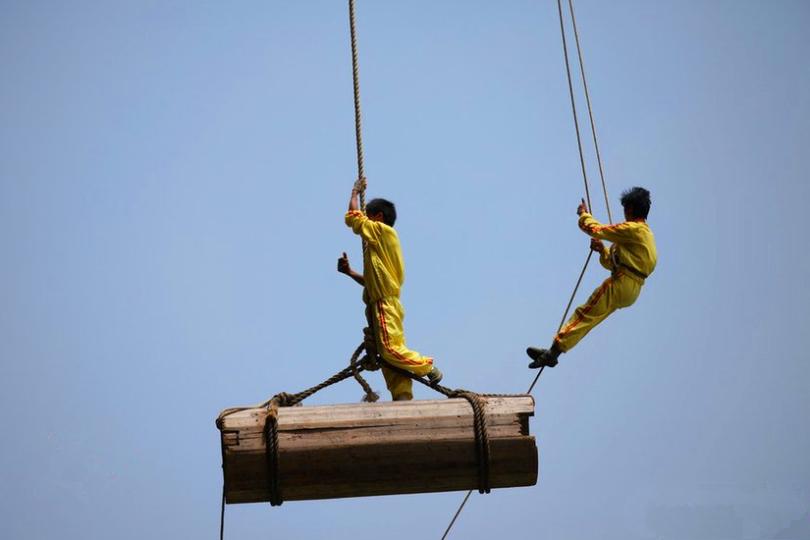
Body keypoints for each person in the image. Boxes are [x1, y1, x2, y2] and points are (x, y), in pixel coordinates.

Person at [527, 187, 657, 368]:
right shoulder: (645, 236)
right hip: (632, 289)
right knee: (589, 318)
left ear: (630, 209)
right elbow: (613, 263)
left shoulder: (633, 229)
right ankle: (555, 349)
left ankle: (553, 352)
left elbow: (595, 229)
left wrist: (583, 215)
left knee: (585, 313)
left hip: (622, 283)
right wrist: (602, 251)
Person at [338, 178, 442, 400]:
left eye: (369, 216)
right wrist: (350, 273)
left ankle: (427, 366)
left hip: (385, 304)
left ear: (378, 217)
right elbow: (373, 281)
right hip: (381, 303)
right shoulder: (380, 246)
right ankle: (402, 395)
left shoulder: (382, 231)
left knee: (389, 350)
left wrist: (355, 192)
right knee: (388, 355)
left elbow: (353, 218)